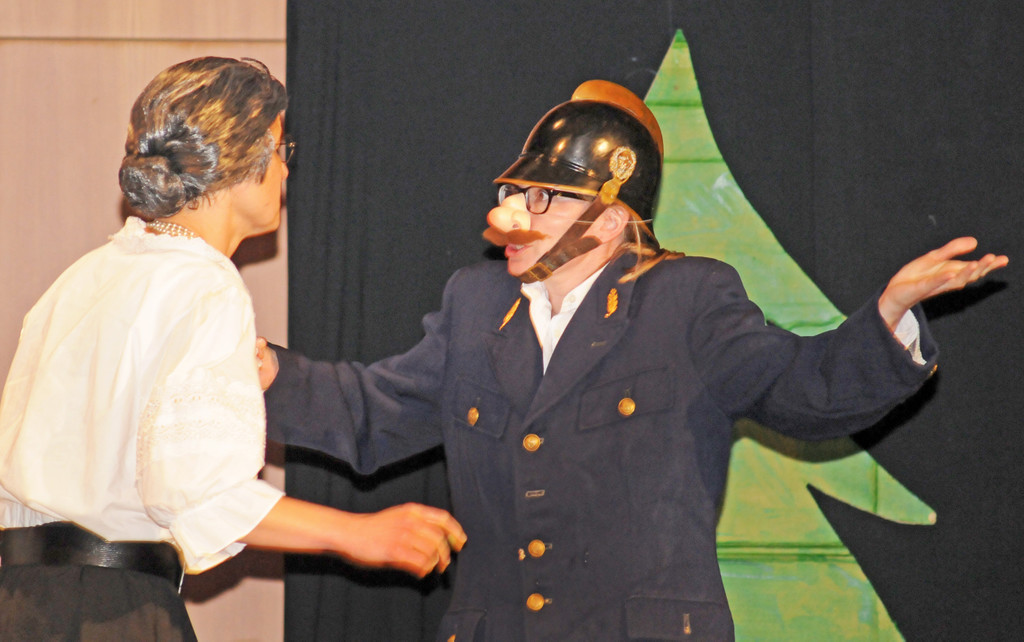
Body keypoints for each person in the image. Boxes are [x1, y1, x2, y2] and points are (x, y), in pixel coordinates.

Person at [256, 80, 1007, 641]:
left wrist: (890, 313)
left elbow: (802, 389)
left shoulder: (687, 298)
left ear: (611, 220)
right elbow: (373, 412)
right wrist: (260, 373)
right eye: (516, 190)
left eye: (544, 198)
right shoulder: (476, 304)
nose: (512, 214)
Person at [0, 57, 465, 641]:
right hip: (110, 613)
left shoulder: (82, 276)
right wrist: (359, 532)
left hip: (19, 603)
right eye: (281, 149)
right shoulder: (205, 284)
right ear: (242, 158)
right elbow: (200, 493)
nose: (286, 169)